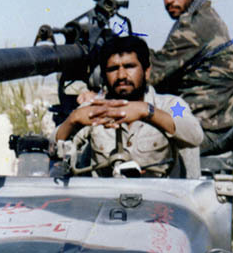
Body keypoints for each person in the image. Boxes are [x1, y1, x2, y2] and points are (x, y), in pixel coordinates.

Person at [54, 35, 203, 176]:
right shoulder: (95, 108)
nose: (121, 76)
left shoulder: (169, 105)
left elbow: (194, 135)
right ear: (104, 75)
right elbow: (53, 148)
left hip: (159, 193)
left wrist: (146, 111)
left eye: (129, 66)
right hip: (105, 193)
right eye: (113, 69)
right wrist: (73, 119)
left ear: (146, 71)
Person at [149, 0, 233, 154]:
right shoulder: (202, 16)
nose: (169, 0)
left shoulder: (196, 25)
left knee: (141, 145)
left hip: (207, 132)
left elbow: (152, 73)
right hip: (210, 125)